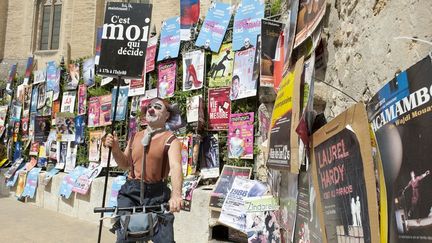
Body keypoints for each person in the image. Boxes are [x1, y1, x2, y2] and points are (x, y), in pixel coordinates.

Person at [104, 97, 183, 243]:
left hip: (157, 193)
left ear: (166, 116)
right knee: (124, 238)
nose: (151, 109)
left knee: (165, 239)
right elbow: (125, 164)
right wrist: (115, 149)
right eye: (150, 106)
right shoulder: (135, 137)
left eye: (158, 107)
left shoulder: (171, 140)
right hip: (131, 192)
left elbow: (176, 166)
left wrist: (176, 195)